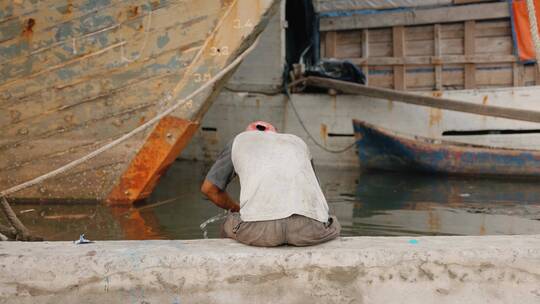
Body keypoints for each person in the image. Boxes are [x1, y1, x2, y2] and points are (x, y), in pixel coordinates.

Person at [201, 121, 340, 247]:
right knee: (333, 222)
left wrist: (235, 208)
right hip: (310, 231)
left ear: (248, 134)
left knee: (228, 223)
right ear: (277, 135)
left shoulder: (239, 141)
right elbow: (315, 195)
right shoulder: (298, 143)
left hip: (260, 232)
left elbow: (209, 190)